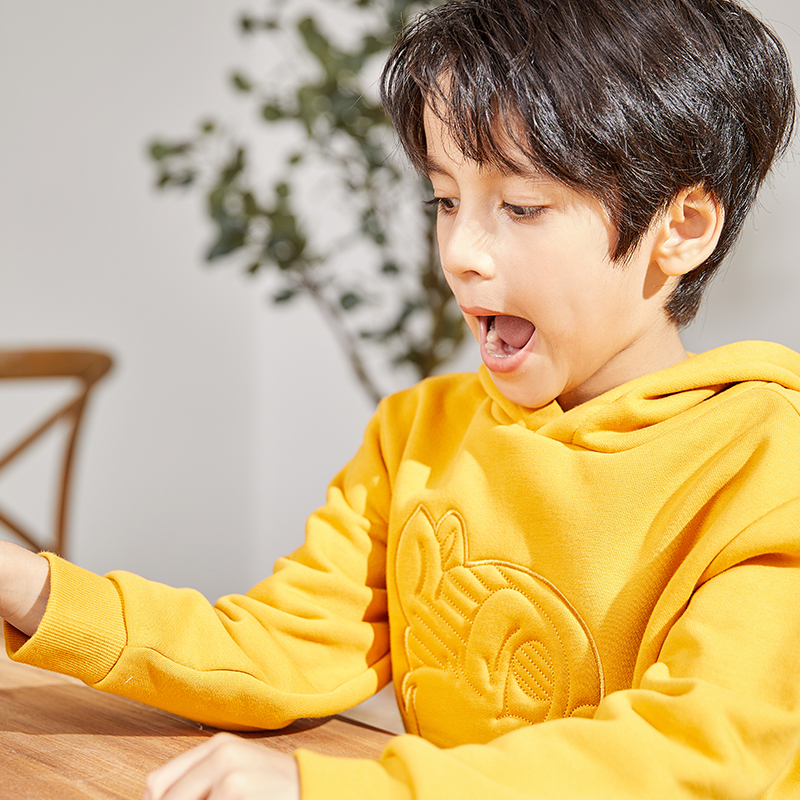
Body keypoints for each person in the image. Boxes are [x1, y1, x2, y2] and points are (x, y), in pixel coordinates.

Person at [2, 0, 800, 797]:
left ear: (683, 225)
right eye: (446, 201)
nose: (460, 254)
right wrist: (28, 588)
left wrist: (333, 789)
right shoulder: (418, 433)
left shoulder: (766, 467)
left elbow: (694, 755)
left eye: (520, 207)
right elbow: (283, 647)